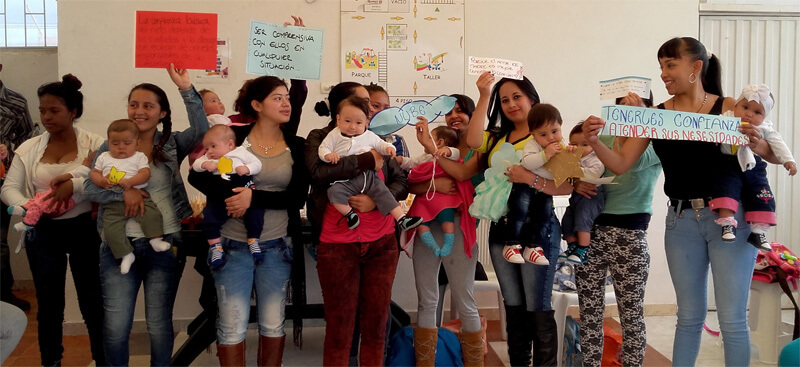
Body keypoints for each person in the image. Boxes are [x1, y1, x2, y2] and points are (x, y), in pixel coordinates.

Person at [582, 36, 780, 365]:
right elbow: (619, 164)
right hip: (680, 221)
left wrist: (757, 143)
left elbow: (771, 152)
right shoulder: (656, 116)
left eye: (671, 64)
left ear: (696, 67)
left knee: (732, 319)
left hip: (729, 218)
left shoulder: (730, 105)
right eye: (661, 66)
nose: (663, 73)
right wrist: (593, 140)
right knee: (688, 317)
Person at [188, 16, 309, 363]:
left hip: (277, 246)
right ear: (256, 105)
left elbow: (295, 198)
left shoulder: (296, 146)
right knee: (232, 325)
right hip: (231, 245)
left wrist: (254, 196)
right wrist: (231, 192)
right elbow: (198, 174)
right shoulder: (232, 138)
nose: (285, 103)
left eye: (287, 97)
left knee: (273, 324)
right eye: (276, 98)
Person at [83, 65, 209, 366]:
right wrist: (122, 192)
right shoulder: (111, 145)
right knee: (116, 326)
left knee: (158, 324)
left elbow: (203, 131)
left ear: (162, 113)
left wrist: (185, 89)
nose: (139, 111)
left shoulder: (171, 143)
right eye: (134, 105)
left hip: (164, 242)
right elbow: (89, 187)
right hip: (118, 245)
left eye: (148, 106)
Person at [465, 72, 573, 366]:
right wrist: (484, 94)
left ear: (532, 99)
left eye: (517, 97)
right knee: (513, 306)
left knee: (537, 306)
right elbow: (473, 140)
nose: (511, 104)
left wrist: (529, 178)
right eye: (504, 100)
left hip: (538, 233)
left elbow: (567, 185)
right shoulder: (497, 137)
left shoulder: (549, 135)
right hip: (502, 232)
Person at [1, 74, 106, 366]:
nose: (46, 116)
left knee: (92, 302)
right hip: (43, 232)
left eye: (54, 110)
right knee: (49, 305)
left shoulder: (95, 145)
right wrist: (34, 207)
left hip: (85, 230)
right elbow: (9, 188)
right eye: (42, 110)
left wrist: (73, 186)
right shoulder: (30, 147)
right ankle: (51, 362)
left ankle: (102, 360)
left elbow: (105, 182)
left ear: (73, 111)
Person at [306, 81, 408, 366]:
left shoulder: (376, 139)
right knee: (340, 327)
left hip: (382, 243)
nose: (371, 109)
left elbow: (401, 181)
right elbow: (317, 173)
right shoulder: (322, 138)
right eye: (365, 102)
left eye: (371, 105)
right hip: (338, 245)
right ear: (339, 110)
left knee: (377, 325)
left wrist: (376, 202)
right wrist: (366, 159)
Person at [572, 91, 661, 367]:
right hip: (591, 232)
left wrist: (637, 122)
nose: (628, 111)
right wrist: (576, 181)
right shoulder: (602, 139)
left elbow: (625, 163)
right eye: (621, 107)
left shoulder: (655, 144)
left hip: (631, 235)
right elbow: (570, 166)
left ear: (649, 109)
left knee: (631, 313)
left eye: (635, 107)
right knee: (589, 312)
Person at [709, 84, 796, 251]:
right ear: (735, 106)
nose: (749, 113)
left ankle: (759, 231)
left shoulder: (764, 128)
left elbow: (778, 144)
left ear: (764, 117)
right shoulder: (724, 119)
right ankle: (727, 224)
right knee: (725, 188)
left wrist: (788, 161)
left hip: (753, 166)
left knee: (762, 193)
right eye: (745, 107)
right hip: (727, 163)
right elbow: (707, 128)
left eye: (757, 112)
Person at [318, 95, 422, 231]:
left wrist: (389, 148)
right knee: (334, 192)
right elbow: (323, 148)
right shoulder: (334, 135)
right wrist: (327, 155)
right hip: (345, 180)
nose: (352, 127)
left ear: (366, 122)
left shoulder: (369, 136)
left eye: (358, 123)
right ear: (338, 119)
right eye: (347, 121)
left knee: (384, 192)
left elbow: (381, 144)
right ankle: (349, 214)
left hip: (370, 178)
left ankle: (402, 219)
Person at [89, 119, 171, 274]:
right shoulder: (104, 157)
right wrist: (101, 180)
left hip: (140, 199)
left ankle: (155, 240)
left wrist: (130, 182)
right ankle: (126, 254)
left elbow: (145, 174)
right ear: (108, 143)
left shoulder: (139, 157)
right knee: (111, 230)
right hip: (112, 203)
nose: (121, 147)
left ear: (137, 143)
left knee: (152, 215)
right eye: (115, 143)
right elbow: (94, 173)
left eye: (127, 143)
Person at [500, 103, 570, 266]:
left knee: (543, 216)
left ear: (561, 126)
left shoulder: (562, 144)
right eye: (543, 134)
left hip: (544, 189)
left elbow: (566, 171)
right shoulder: (533, 145)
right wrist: (545, 155)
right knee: (519, 212)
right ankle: (511, 243)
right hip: (525, 186)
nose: (551, 137)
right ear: (533, 134)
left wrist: (570, 152)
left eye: (555, 131)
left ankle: (533, 247)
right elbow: (528, 163)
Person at [192, 124, 264, 269]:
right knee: (210, 216)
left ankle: (253, 239)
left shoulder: (240, 152)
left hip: (241, 185)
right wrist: (205, 164)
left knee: (256, 212)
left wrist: (247, 168)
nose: (209, 151)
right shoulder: (209, 158)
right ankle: (216, 247)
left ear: (230, 144)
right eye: (206, 148)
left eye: (213, 146)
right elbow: (195, 165)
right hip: (220, 193)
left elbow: (257, 164)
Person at [0, 62, 34, 311]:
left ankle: (3, 296)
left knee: (0, 242)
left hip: (1, 180)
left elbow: (26, 141)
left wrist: (8, 153)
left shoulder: (15, 102)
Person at [398, 125, 462, 257]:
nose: (424, 141)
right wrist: (400, 160)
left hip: (443, 200)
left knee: (447, 221)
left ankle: (448, 244)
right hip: (425, 200)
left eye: (429, 137)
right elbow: (411, 163)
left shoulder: (448, 156)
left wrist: (446, 151)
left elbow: (456, 154)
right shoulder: (424, 157)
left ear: (440, 142)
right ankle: (433, 247)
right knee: (421, 224)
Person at [7, 151, 92, 232]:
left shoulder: (87, 168)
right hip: (44, 221)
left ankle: (28, 222)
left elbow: (74, 175)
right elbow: (9, 188)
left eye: (88, 159)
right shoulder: (30, 147)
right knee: (39, 200)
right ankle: (26, 208)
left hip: (72, 210)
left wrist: (73, 184)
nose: (85, 159)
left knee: (41, 205)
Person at [557, 122, 605, 264]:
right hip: (576, 196)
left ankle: (583, 249)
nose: (579, 148)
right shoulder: (572, 158)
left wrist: (574, 170)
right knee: (567, 219)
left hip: (592, 196)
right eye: (574, 144)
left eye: (585, 144)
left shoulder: (597, 158)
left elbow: (594, 173)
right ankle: (572, 246)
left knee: (582, 219)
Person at [365, 83, 410, 157]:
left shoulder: (396, 140)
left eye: (386, 108)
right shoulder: (351, 137)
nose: (382, 112)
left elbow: (404, 167)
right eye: (375, 106)